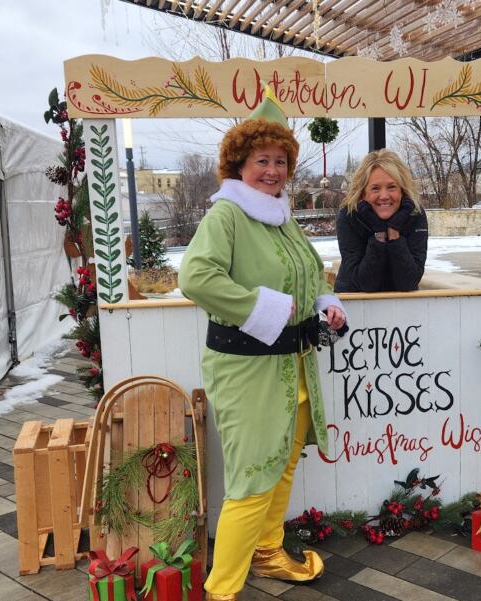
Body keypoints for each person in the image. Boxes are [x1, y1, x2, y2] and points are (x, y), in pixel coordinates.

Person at [178, 88, 347, 601]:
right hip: (248, 372)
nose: (271, 171)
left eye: (279, 161)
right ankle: (222, 590)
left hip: (294, 367)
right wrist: (264, 307)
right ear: (239, 164)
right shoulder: (226, 216)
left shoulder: (283, 216)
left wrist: (325, 302)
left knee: (284, 464)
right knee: (252, 479)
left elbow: (310, 271)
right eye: (261, 161)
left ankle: (269, 553)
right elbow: (196, 277)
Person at [334, 149, 428, 293]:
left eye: (391, 187)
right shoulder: (348, 216)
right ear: (363, 192)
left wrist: (394, 233)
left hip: (403, 306)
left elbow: (408, 282)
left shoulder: (415, 215)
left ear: (402, 190)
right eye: (375, 188)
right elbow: (366, 283)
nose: (384, 196)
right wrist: (379, 233)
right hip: (355, 302)